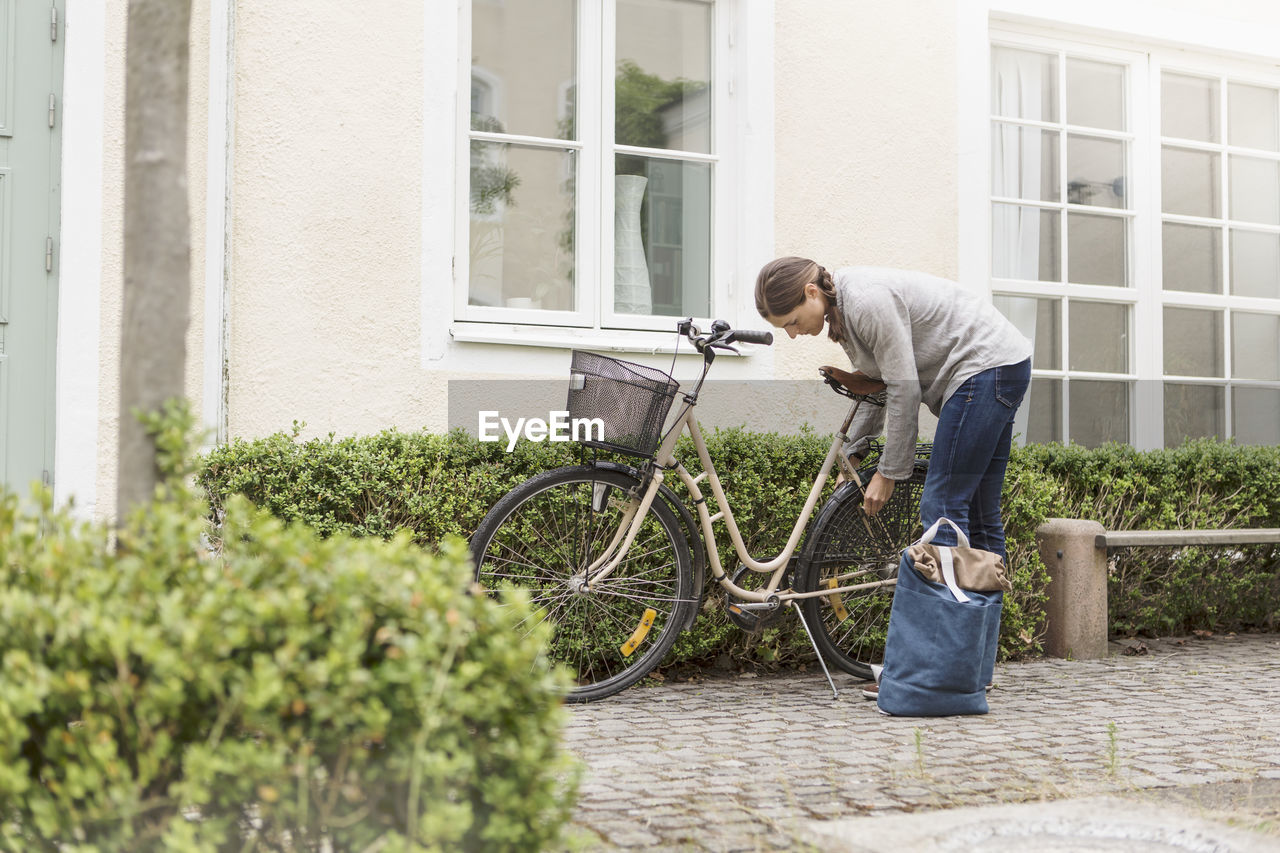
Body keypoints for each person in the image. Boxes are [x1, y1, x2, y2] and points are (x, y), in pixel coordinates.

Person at [755, 257, 1032, 705]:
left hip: (983, 368)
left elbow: (905, 388)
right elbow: (881, 384)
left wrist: (889, 471)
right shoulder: (842, 312)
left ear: (811, 292)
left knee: (941, 510)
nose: (791, 333)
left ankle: (935, 671)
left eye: (790, 321)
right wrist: (858, 449)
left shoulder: (864, 302)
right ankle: (969, 669)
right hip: (1004, 362)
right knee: (980, 519)